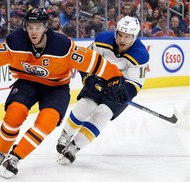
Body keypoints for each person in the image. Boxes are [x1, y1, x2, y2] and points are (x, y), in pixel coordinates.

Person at [0, 7, 124, 179]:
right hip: (27, 83)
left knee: (47, 121)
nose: (34, 32)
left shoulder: (62, 46)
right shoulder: (16, 43)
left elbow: (95, 63)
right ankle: (2, 151)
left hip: (57, 88)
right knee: (14, 114)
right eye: (31, 27)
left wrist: (115, 78)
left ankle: (15, 157)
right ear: (25, 27)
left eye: (38, 27)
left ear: (45, 27)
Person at [56, 16, 150, 165]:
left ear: (135, 36)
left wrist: (122, 92)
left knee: (103, 114)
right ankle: (66, 134)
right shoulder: (102, 40)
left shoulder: (140, 54)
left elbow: (135, 83)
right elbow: (84, 60)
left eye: (127, 36)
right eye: (120, 34)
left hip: (120, 86)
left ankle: (75, 147)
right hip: (98, 78)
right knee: (85, 106)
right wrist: (89, 78)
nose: (122, 39)